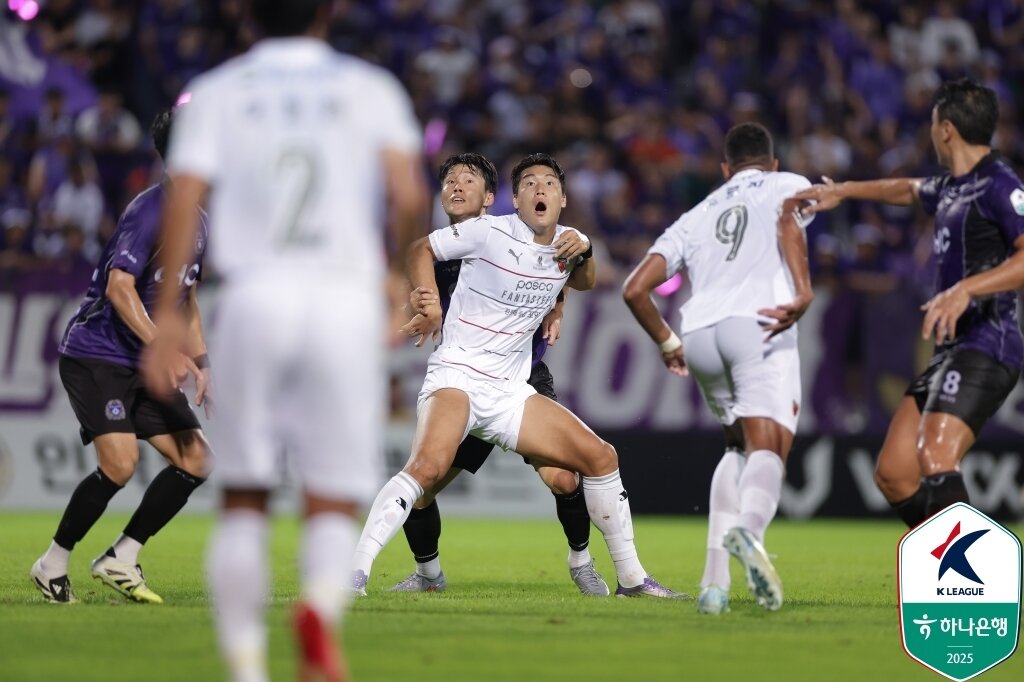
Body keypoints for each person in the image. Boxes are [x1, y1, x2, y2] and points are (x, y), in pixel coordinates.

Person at [144, 3, 426, 682]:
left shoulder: (217, 92)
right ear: (328, 12)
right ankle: (319, 611)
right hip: (342, 298)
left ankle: (246, 668)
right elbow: (409, 193)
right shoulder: (370, 88)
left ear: (242, 13)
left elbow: (183, 199)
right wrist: (395, 276)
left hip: (254, 296)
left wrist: (169, 314)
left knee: (245, 494)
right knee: (330, 494)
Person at [351, 152, 682, 600]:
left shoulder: (567, 242)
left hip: (513, 386)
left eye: (548, 183)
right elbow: (418, 250)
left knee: (596, 461)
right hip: (460, 377)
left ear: (563, 198)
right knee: (425, 473)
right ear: (513, 198)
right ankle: (365, 574)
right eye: (528, 183)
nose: (539, 189)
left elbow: (583, 279)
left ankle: (629, 580)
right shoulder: (485, 232)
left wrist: (580, 256)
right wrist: (426, 300)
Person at [794, 78, 1023, 527]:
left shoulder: (1000, 185)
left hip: (988, 342)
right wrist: (842, 191)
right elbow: (906, 189)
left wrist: (966, 289)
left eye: (933, 120)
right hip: (951, 351)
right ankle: (948, 565)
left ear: (946, 130)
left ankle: (971, 588)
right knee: (895, 474)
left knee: (936, 455)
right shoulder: (955, 186)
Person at [391, 152, 608, 596]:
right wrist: (423, 301)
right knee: (422, 484)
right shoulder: (439, 250)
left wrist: (560, 301)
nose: (456, 186)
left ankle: (582, 562)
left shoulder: (507, 237)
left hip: (520, 379)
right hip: (464, 384)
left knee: (565, 478)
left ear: (490, 198)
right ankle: (428, 574)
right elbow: (416, 259)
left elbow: (559, 268)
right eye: (449, 180)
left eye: (467, 180)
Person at [623, 122, 816, 614]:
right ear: (770, 163)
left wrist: (668, 343)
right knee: (768, 445)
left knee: (735, 445)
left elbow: (634, 289)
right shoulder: (787, 183)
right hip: (757, 327)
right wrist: (801, 290)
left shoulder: (696, 214)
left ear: (725, 169)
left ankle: (713, 586)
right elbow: (791, 220)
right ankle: (749, 534)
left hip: (700, 334)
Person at [29, 106, 211, 606]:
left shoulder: (197, 218)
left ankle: (121, 557)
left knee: (197, 459)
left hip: (141, 362)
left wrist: (203, 363)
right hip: (98, 354)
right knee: (121, 462)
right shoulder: (151, 209)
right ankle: (51, 564)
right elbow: (119, 287)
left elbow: (187, 295)